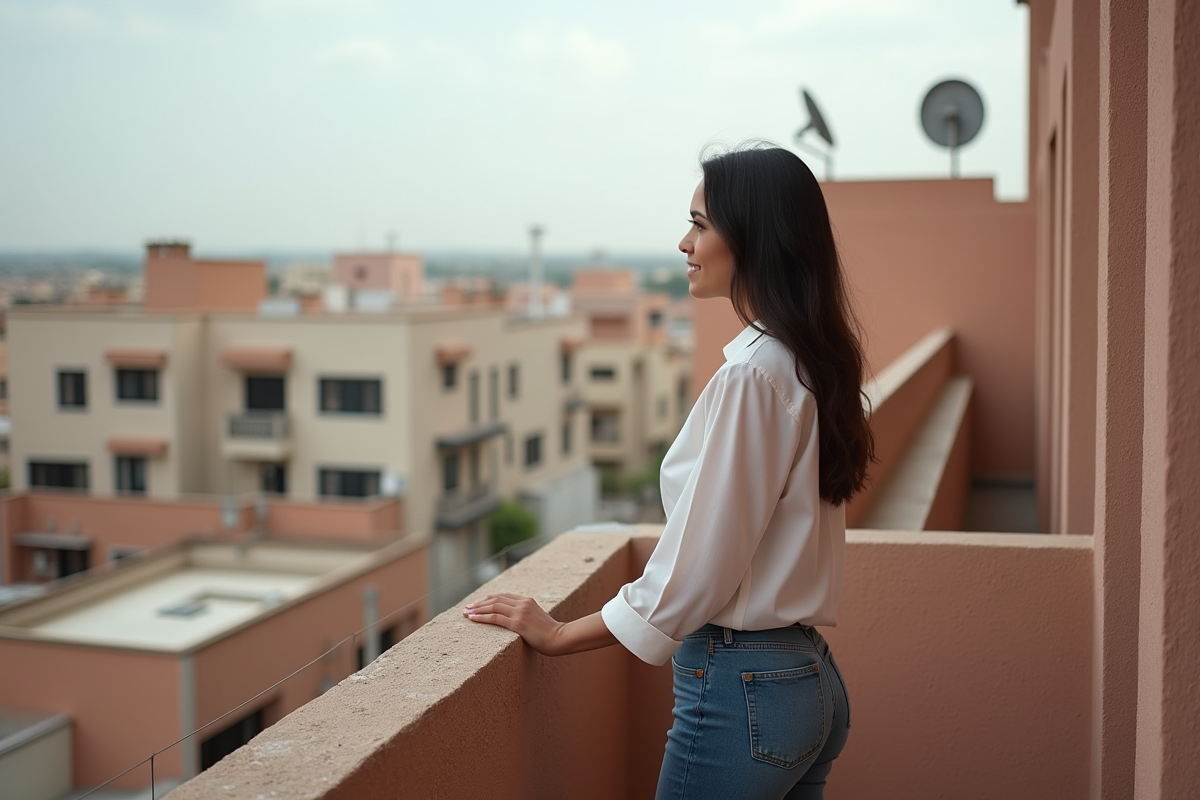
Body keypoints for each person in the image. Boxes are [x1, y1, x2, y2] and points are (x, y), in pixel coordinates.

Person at [464, 143, 874, 800]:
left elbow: (701, 565)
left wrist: (562, 633)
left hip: (745, 688)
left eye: (701, 224)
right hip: (806, 681)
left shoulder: (752, 378)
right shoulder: (809, 363)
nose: (685, 243)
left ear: (755, 238)